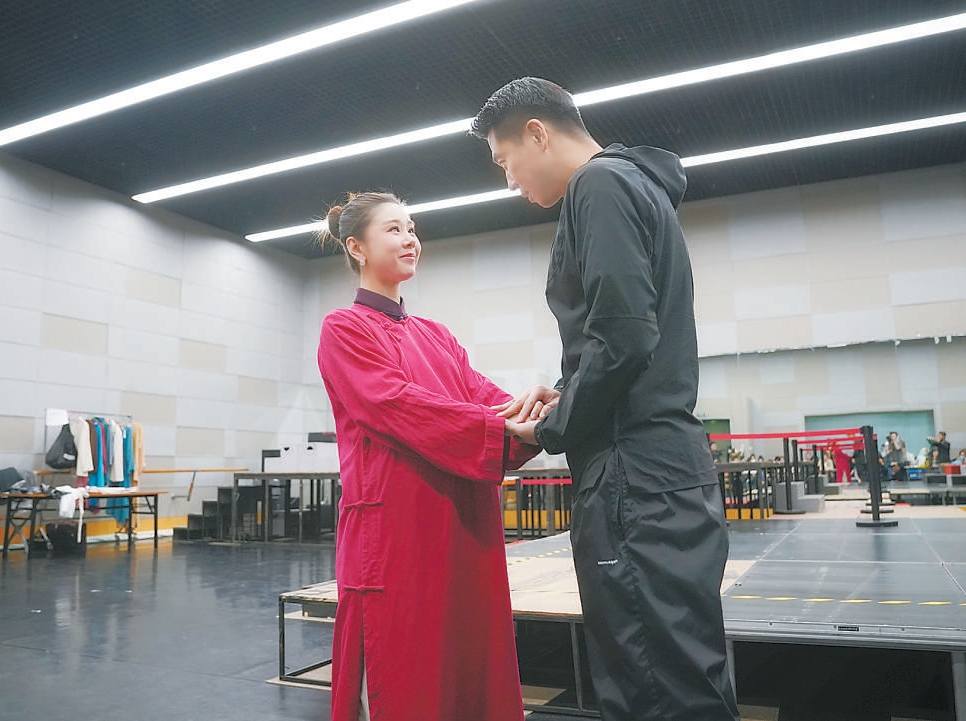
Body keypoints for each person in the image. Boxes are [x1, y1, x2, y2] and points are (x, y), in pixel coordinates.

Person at [473, 77, 738, 721]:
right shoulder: (637, 185)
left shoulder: (598, 186)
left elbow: (623, 336)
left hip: (631, 476)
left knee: (650, 682)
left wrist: (552, 424)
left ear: (537, 133)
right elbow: (625, 334)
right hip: (658, 473)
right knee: (680, 672)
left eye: (505, 160)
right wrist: (566, 390)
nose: (508, 180)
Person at [316, 191, 540, 721]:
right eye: (394, 229)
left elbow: (485, 397)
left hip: (459, 523)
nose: (410, 239)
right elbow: (392, 403)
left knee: (468, 659)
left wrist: (542, 410)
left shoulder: (436, 335)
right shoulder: (344, 328)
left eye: (412, 228)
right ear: (357, 248)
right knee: (403, 671)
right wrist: (503, 428)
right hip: (396, 534)